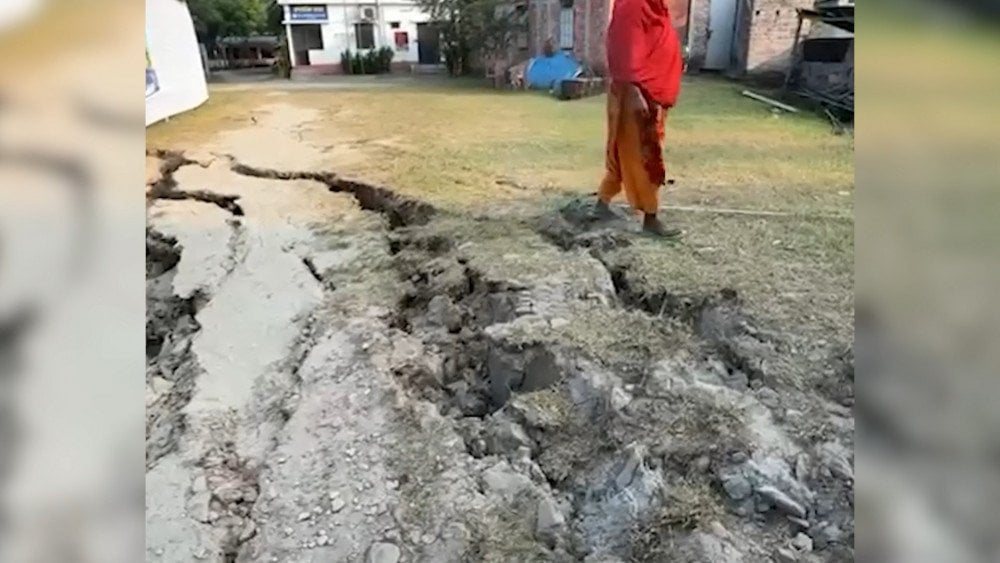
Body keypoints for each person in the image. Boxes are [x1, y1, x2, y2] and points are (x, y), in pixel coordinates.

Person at [595, 0, 684, 237]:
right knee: (645, 155)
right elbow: (623, 48)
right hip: (637, 95)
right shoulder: (634, 4)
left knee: (623, 151)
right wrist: (635, 93)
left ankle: (602, 203)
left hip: (650, 94)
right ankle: (650, 218)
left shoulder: (654, 6)